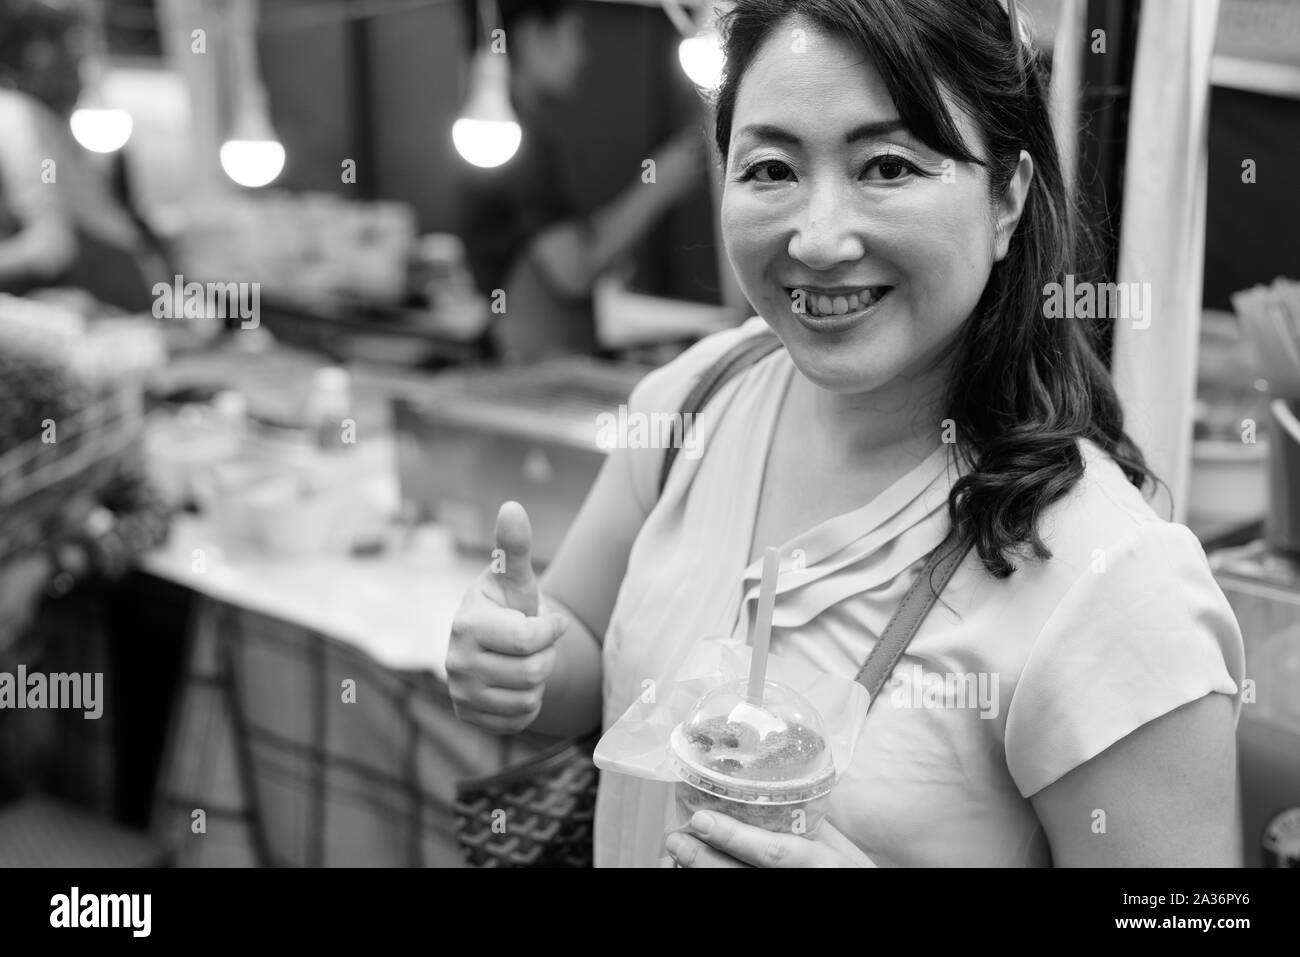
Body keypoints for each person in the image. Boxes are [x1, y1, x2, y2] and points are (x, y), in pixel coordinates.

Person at [445, 0, 1245, 867]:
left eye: (889, 166)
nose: (818, 238)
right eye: (770, 168)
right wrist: (519, 658)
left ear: (1007, 197)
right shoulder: (696, 399)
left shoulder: (1111, 579)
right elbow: (590, 657)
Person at [458, 0, 706, 359]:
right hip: (528, 367)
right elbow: (573, 270)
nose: (583, 53)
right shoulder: (514, 144)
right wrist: (657, 186)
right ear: (533, 36)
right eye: (575, 35)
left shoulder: (504, 136)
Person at [0, 0, 165, 312]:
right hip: (132, 281)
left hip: (119, 288)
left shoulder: (13, 115)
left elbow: (51, 247)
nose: (73, 72)